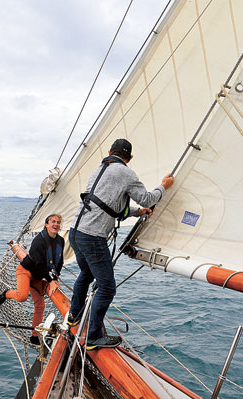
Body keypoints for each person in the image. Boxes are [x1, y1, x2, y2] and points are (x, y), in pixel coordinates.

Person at [67, 138, 174, 350]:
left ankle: (73, 316)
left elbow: (106, 205)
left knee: (86, 275)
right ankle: (93, 337)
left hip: (75, 232)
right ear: (129, 158)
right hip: (92, 237)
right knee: (107, 288)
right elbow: (147, 198)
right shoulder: (125, 173)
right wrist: (164, 186)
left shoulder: (99, 170)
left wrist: (137, 212)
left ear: (110, 152)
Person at [0, 214, 65, 345]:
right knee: (22, 296)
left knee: (40, 305)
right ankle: (6, 293)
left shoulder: (60, 241)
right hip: (26, 272)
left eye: (58, 222)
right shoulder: (38, 241)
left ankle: (34, 336)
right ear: (46, 225)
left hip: (39, 277)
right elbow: (39, 264)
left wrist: (55, 278)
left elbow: (59, 261)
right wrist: (50, 281)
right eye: (53, 222)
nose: (56, 224)